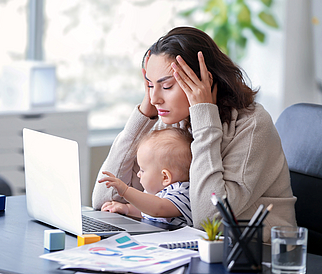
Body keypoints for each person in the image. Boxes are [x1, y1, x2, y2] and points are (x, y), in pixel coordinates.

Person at [92, 26, 297, 242]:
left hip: (257, 253)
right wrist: (144, 115)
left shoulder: (252, 124)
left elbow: (208, 219)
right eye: (150, 86)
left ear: (204, 81)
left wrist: (204, 119)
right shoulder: (176, 119)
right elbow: (104, 199)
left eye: (167, 86)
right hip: (192, 246)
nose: (155, 98)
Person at [98, 127, 193, 227]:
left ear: (165, 177)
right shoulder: (156, 194)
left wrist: (126, 191)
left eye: (142, 170)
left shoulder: (183, 192)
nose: (138, 174)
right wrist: (126, 208)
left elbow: (158, 209)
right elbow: (147, 211)